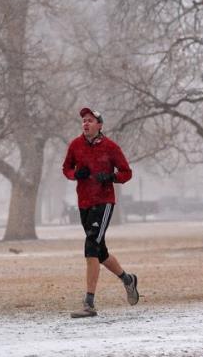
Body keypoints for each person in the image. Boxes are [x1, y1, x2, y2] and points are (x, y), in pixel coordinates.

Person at [62, 107, 138, 318]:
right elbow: (66, 168)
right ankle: (128, 280)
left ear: (99, 125)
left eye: (90, 120)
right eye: (84, 120)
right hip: (84, 203)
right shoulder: (75, 145)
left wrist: (112, 178)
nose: (86, 123)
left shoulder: (110, 147)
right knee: (100, 252)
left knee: (91, 246)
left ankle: (89, 303)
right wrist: (76, 173)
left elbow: (126, 172)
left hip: (103, 202)